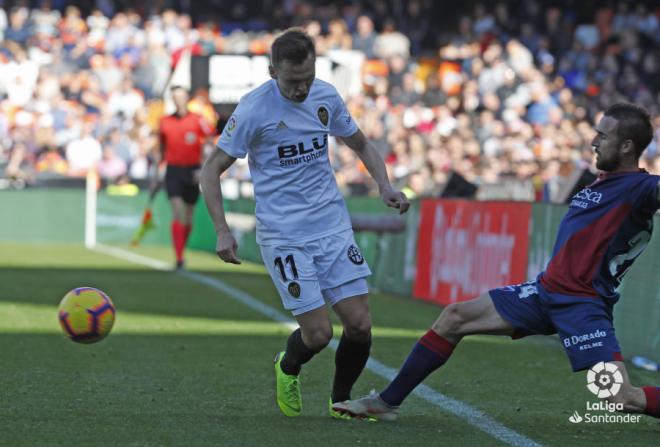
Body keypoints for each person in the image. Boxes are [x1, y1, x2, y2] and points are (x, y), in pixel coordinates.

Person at [332, 103, 660, 421]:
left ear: (627, 146)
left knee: (618, 397)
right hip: (546, 292)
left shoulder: (641, 188)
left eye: (603, 136)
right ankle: (385, 403)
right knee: (453, 318)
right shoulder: (604, 180)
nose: (593, 141)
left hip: (583, 304)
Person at [200, 29, 410, 419]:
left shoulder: (326, 95)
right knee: (319, 334)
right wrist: (223, 229)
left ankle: (340, 402)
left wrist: (384, 185)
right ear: (271, 71)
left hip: (331, 226)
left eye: (308, 79)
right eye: (293, 81)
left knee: (360, 324)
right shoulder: (252, 110)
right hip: (284, 236)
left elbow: (361, 143)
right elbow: (211, 170)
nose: (302, 89)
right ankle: (287, 365)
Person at [158, 85, 214, 269]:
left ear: (186, 98)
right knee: (178, 211)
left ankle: (181, 250)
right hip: (173, 170)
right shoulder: (165, 121)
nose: (178, 100)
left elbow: (209, 141)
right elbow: (161, 149)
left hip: (193, 170)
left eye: (181, 96)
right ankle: (179, 256)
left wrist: (204, 168)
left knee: (188, 216)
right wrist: (155, 174)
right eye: (175, 97)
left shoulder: (198, 120)